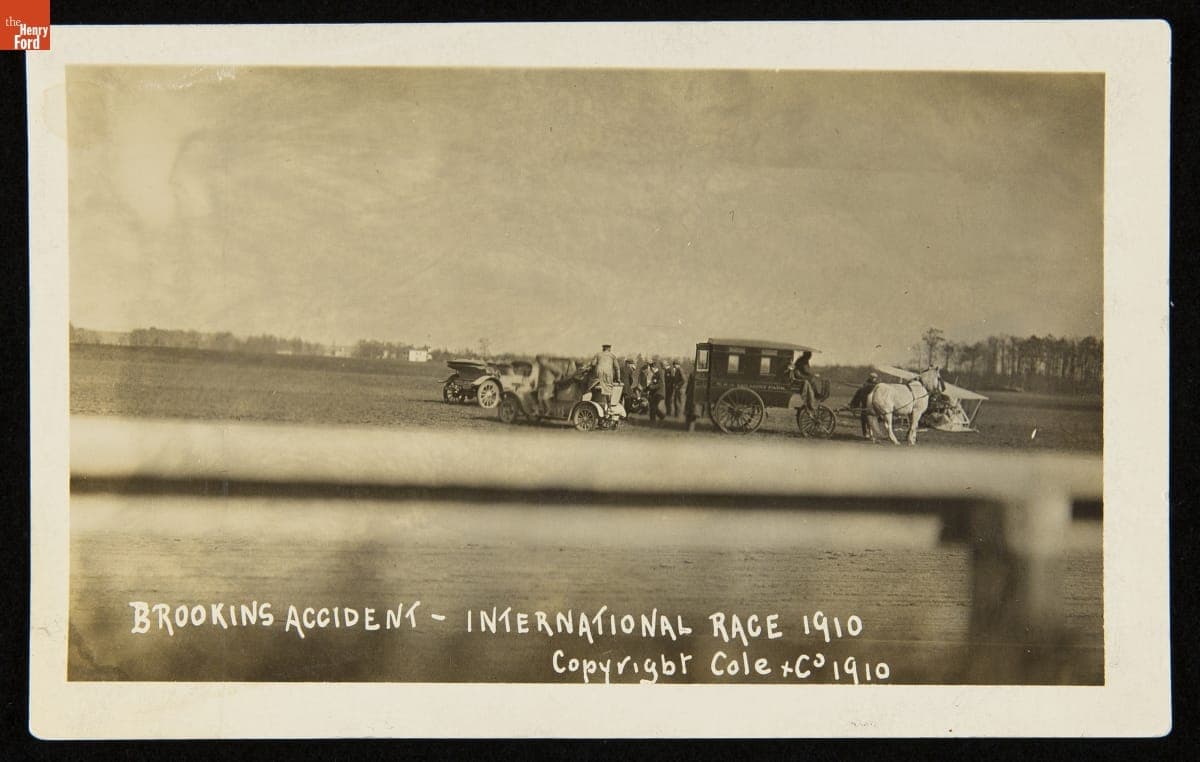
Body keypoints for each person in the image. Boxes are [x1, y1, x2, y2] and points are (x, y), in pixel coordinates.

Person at [849, 371, 881, 439]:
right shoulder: (867, 384)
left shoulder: (876, 384)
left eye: (875, 378)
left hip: (872, 403)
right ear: (870, 377)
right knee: (864, 419)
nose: (874, 379)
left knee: (871, 419)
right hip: (865, 403)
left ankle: (871, 433)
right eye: (873, 377)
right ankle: (866, 433)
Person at [588, 343, 620, 408]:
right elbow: (617, 368)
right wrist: (618, 378)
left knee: (594, 386)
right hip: (608, 374)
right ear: (609, 348)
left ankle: (593, 401)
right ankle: (609, 406)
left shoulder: (598, 354)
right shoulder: (612, 356)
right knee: (609, 389)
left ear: (603, 348)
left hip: (598, 373)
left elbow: (593, 364)